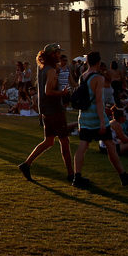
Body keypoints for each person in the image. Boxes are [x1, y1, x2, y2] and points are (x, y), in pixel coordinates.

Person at [71, 51, 128, 188]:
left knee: (82, 146)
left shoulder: (83, 76)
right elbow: (98, 101)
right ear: (98, 62)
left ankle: (77, 176)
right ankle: (123, 175)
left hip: (84, 116)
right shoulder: (98, 78)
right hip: (96, 118)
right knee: (110, 146)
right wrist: (103, 121)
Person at [19, 44, 74, 182]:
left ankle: (26, 164)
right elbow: (48, 91)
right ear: (52, 55)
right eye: (57, 53)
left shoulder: (42, 68)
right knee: (64, 141)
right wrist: (63, 92)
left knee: (49, 141)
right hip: (54, 109)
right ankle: (71, 174)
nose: (59, 56)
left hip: (46, 110)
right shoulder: (50, 71)